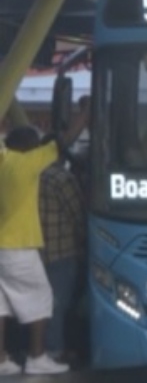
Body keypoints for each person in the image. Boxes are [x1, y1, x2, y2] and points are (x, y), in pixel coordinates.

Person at [0, 95, 89, 375]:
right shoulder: (26, 164)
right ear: (29, 149)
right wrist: (86, 113)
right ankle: (38, 357)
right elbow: (65, 140)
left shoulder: (3, 161)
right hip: (19, 246)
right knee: (42, 297)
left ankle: (2, 359)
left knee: (1, 305)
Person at [38, 153, 88, 364]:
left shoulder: (30, 176)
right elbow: (78, 213)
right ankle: (54, 350)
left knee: (40, 304)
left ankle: (37, 350)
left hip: (34, 249)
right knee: (59, 304)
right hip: (62, 250)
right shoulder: (61, 178)